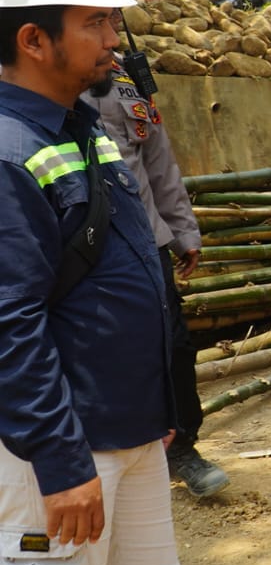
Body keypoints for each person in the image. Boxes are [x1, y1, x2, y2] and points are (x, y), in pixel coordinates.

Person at [0, 0, 183, 565]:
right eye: (96, 21)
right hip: (68, 454)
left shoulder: (86, 127)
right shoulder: (10, 153)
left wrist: (154, 403)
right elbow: (11, 322)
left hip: (132, 430)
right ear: (34, 39)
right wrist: (61, 460)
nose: (114, 38)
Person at [83, 57, 230, 499]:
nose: (110, 32)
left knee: (174, 345)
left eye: (111, 18)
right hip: (79, 251)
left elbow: (158, 160)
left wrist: (182, 229)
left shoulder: (126, 77)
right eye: (96, 18)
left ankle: (182, 448)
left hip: (146, 239)